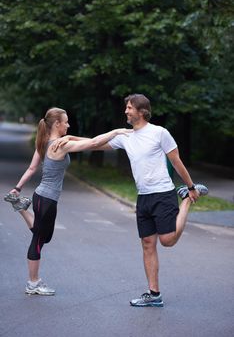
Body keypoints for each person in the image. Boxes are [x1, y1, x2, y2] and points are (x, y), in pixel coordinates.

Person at [55, 94, 208, 307]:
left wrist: (191, 187)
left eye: (129, 108)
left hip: (163, 193)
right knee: (147, 244)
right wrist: (71, 138)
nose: (126, 111)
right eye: (126, 108)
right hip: (143, 196)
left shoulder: (159, 133)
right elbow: (95, 144)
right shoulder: (126, 137)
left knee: (168, 240)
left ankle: (185, 200)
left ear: (142, 111)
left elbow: (176, 160)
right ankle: (154, 294)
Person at [4, 107, 131, 296]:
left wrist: (18, 188)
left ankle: (22, 207)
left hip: (44, 197)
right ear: (57, 124)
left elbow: (32, 168)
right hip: (46, 199)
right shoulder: (60, 145)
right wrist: (117, 131)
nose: (69, 124)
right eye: (66, 121)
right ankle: (33, 283)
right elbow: (94, 142)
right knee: (38, 240)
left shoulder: (46, 142)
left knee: (44, 236)